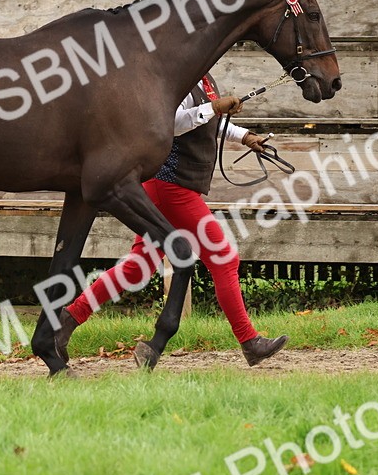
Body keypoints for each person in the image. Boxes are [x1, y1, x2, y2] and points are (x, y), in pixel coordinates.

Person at [56, 73, 289, 367]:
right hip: (171, 187)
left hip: (169, 186)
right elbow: (174, 123)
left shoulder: (205, 79)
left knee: (136, 267)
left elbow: (208, 124)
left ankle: (69, 319)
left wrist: (245, 137)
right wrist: (215, 107)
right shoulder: (179, 79)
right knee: (223, 258)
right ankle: (249, 342)